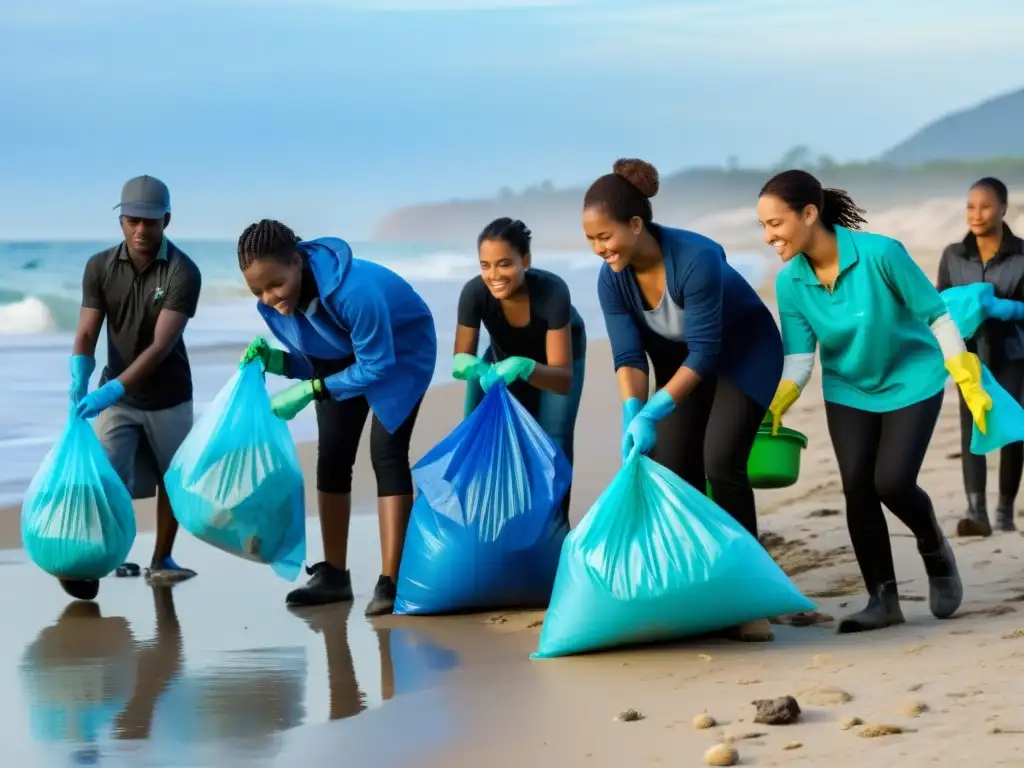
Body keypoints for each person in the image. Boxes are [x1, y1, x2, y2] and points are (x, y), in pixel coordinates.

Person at [760, 169, 989, 634]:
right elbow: (801, 358)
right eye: (762, 227)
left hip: (913, 378)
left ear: (809, 214)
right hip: (849, 388)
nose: (769, 237)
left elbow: (937, 316)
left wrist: (965, 375)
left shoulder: (882, 254)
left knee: (893, 482)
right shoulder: (791, 283)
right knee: (857, 487)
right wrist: (778, 402)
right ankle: (883, 599)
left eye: (775, 224)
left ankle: (933, 547)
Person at [584, 158, 784, 643]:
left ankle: (748, 599)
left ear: (635, 225)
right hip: (685, 364)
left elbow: (707, 350)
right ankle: (696, 586)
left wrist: (656, 408)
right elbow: (630, 356)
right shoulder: (613, 278)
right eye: (590, 240)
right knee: (672, 469)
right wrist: (633, 410)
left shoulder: (694, 259)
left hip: (743, 356)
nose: (598, 249)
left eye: (604, 237)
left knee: (721, 460)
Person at [237, 219, 437, 616]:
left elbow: (377, 363)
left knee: (386, 451)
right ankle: (333, 575)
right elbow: (317, 355)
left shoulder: (354, 291)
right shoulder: (272, 302)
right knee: (332, 455)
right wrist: (276, 361)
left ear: (296, 261)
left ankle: (392, 581)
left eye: (275, 284)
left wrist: (313, 390)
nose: (269, 297)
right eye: (258, 291)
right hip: (351, 353)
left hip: (401, 352)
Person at [67, 175, 202, 601]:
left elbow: (161, 347)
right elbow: (88, 331)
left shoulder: (183, 271)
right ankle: (98, 558)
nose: (140, 231)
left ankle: (162, 559)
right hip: (116, 396)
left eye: (150, 222)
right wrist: (79, 375)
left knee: (172, 481)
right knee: (106, 478)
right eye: (131, 221)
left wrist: (112, 389)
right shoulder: (100, 267)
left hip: (168, 396)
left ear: (166, 220)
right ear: (121, 220)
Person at [452, 217, 586, 522]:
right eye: (485, 265)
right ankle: (482, 522)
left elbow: (562, 379)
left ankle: (553, 530)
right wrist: (469, 365)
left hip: (556, 362)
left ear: (525, 260)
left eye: (504, 264)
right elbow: (461, 358)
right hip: (501, 358)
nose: (494, 275)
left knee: (554, 440)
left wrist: (524, 366)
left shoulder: (552, 292)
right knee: (474, 435)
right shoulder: (474, 293)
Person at [937, 177, 1024, 536]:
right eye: (971, 206)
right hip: (968, 354)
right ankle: (978, 513)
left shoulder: (1021, 256)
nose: (976, 214)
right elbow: (939, 304)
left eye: (985, 206)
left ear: (1004, 208)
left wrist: (999, 307)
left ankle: (1005, 510)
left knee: (1012, 430)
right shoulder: (953, 255)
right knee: (973, 426)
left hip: (1014, 353)